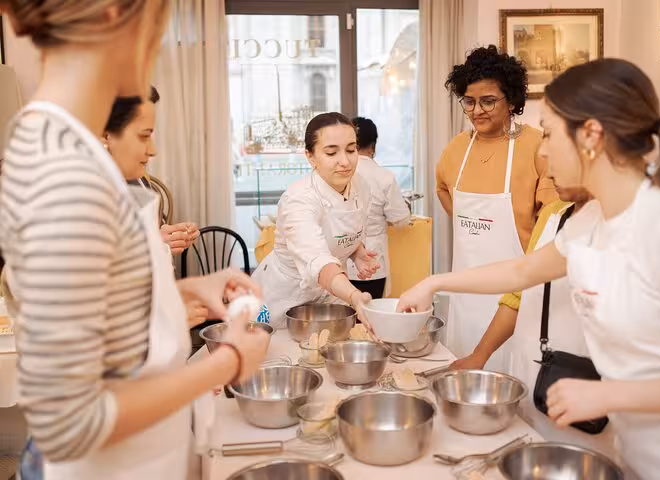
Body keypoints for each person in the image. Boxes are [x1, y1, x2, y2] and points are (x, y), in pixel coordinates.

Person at [398, 58, 660, 480]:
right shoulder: (589, 220)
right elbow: (520, 273)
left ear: (591, 136)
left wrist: (611, 393)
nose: (543, 148)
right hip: (635, 453)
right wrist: (433, 281)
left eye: (550, 132)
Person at [0, 2, 269, 480]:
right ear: (114, 15)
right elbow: (73, 422)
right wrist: (227, 362)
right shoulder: (64, 176)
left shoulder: (74, 152)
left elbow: (100, 308)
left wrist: (186, 290)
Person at [450, 182, 618, 460]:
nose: (547, 165)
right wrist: (479, 355)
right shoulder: (555, 216)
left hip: (585, 395)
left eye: (553, 142)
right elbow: (519, 290)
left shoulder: (629, 229)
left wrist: (617, 394)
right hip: (532, 384)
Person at [436, 45, 557, 362]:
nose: (477, 110)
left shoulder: (537, 146)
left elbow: (553, 216)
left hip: (516, 291)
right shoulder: (456, 148)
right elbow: (442, 189)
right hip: (465, 290)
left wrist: (523, 239)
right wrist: (471, 224)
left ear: (513, 101)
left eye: (488, 101)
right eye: (469, 101)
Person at [251, 112, 379, 329]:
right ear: (310, 157)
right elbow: (317, 259)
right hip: (283, 296)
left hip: (330, 293)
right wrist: (354, 295)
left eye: (351, 149)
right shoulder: (298, 199)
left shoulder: (362, 188)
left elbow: (348, 230)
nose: (345, 161)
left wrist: (357, 253)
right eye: (331, 152)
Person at [103, 86, 200, 256]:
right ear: (106, 135)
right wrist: (154, 244)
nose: (152, 150)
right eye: (144, 136)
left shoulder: (141, 180)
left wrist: (168, 235)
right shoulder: (93, 193)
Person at [346, 117, 410, 299]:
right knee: (371, 317)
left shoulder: (339, 173)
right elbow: (401, 220)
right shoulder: (384, 177)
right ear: (373, 146)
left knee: (345, 318)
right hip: (373, 260)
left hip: (340, 261)